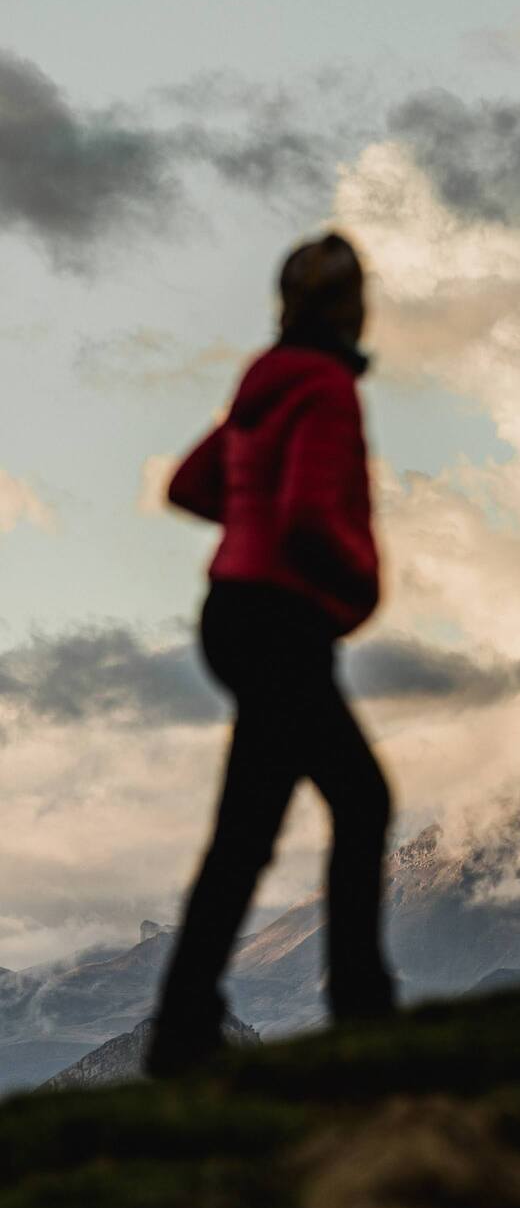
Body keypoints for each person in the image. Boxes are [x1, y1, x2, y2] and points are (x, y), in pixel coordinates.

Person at [146, 233, 396, 1077]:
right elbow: (308, 515)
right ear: (347, 306)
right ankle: (360, 1008)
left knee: (249, 829)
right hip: (281, 619)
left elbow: (189, 483)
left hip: (230, 610)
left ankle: (184, 1025)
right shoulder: (324, 387)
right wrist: (362, 581)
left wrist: (246, 524)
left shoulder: (263, 384)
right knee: (360, 800)